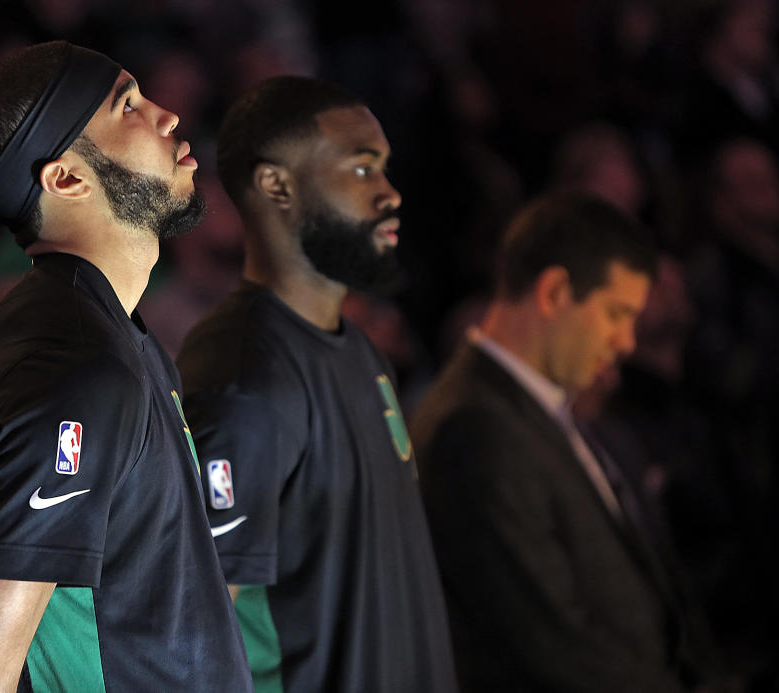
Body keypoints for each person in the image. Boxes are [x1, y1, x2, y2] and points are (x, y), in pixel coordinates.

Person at [0, 41, 251, 692]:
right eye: (128, 105)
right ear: (66, 177)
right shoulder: (72, 368)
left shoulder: (106, 336)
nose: (169, 116)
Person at [176, 76, 458, 693]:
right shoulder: (245, 374)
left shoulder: (361, 353)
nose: (391, 195)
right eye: (363, 171)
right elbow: (194, 632)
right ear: (277, 185)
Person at [410, 192, 705, 692]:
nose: (626, 342)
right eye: (616, 313)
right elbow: (553, 642)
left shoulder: (542, 413)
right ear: (555, 292)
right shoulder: (474, 429)